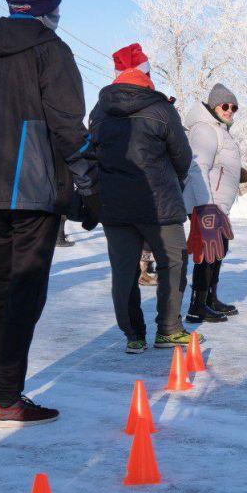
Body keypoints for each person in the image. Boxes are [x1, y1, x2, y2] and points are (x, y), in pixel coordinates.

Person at [0, 0, 99, 428]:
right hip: (34, 190)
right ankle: (5, 396)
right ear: (47, 8)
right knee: (24, 295)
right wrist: (88, 179)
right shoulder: (51, 50)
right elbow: (67, 126)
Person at [89, 43, 200, 353]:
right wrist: (173, 183)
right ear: (146, 74)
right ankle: (169, 329)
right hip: (159, 203)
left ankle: (133, 334)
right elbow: (183, 157)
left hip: (115, 206)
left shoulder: (99, 111)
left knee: (123, 270)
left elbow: (91, 154)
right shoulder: (161, 108)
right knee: (172, 263)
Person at [182, 83, 247, 323]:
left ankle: (210, 299)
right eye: (225, 106)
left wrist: (238, 172)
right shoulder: (205, 129)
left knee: (218, 249)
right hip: (207, 203)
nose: (230, 110)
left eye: (234, 107)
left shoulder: (219, 129)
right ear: (213, 106)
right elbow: (197, 166)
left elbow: (219, 164)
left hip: (216, 203)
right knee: (207, 253)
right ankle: (197, 306)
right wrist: (206, 207)